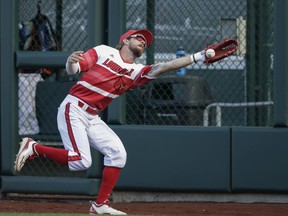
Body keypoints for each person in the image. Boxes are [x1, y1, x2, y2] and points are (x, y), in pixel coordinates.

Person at [14, 29, 209, 215]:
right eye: (139, 37)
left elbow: (166, 66)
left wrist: (198, 56)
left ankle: (100, 204)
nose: (143, 41)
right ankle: (34, 147)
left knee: (118, 153)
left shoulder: (137, 72)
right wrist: (70, 62)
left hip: (91, 116)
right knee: (81, 161)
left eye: (145, 42)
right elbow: (76, 68)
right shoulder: (105, 51)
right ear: (125, 40)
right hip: (74, 108)